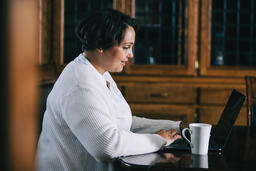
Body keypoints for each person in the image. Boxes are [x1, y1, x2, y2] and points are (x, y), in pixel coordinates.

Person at [36, 8, 186, 171]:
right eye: (126, 47)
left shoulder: (100, 72)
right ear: (101, 44)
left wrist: (177, 127)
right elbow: (107, 146)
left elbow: (123, 122)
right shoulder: (80, 84)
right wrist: (158, 139)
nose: (131, 55)